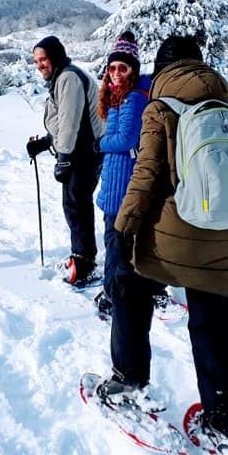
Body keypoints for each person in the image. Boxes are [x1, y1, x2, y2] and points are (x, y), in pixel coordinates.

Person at [100, 34, 228, 448]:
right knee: (214, 325)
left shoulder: (160, 108)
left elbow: (146, 176)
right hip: (224, 236)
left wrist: (123, 228)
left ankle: (130, 381)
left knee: (129, 293)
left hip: (169, 236)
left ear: (161, 70)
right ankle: (224, 420)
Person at [26, 35, 105, 286]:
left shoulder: (69, 78)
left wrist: (65, 158)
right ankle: (81, 256)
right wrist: (47, 141)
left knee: (77, 205)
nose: (40, 65)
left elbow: (71, 122)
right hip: (78, 150)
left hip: (84, 152)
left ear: (56, 56)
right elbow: (63, 123)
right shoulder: (61, 78)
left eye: (44, 59)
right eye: (36, 61)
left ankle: (84, 263)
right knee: (74, 204)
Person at [92, 31, 154, 318]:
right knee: (116, 242)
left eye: (123, 68)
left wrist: (99, 144)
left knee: (116, 244)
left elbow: (125, 139)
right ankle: (114, 290)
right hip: (116, 180)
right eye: (112, 68)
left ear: (133, 70)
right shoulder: (120, 96)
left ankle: (114, 296)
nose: (116, 73)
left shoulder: (133, 99)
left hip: (123, 184)